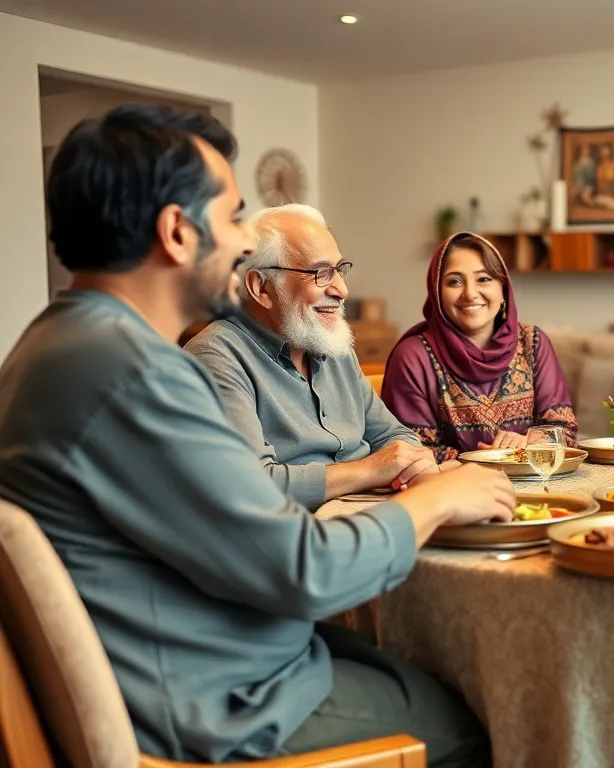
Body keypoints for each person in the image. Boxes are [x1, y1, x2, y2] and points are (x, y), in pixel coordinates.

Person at [0, 102, 514, 766]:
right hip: (217, 705)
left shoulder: (52, 345)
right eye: (233, 214)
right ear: (178, 232)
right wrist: (441, 497)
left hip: (204, 661)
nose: (244, 242)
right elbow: (305, 570)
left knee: (417, 658)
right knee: (480, 717)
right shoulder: (136, 373)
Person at [187, 204, 447, 511]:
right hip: (298, 537)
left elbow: (393, 435)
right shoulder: (215, 357)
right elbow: (251, 485)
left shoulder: (332, 344)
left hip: (371, 513)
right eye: (321, 273)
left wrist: (412, 463)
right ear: (261, 287)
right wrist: (371, 470)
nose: (342, 289)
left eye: (339, 270)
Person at [382, 232, 578, 462]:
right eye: (454, 281)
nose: (470, 294)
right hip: (451, 489)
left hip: (534, 482)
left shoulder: (532, 343)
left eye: (483, 279)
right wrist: (482, 458)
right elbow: (407, 451)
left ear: (503, 289)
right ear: (436, 293)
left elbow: (564, 432)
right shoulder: (414, 356)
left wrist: (530, 442)